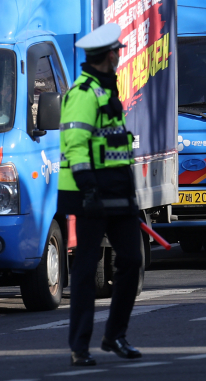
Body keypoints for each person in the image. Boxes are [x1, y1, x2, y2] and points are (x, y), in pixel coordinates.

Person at [58, 22, 144, 367]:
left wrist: (130, 194)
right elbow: (75, 145)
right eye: (118, 53)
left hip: (118, 193)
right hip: (89, 194)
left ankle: (114, 335)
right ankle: (80, 346)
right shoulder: (83, 93)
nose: (119, 57)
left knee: (132, 261)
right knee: (84, 269)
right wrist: (90, 188)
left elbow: (114, 150)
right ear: (109, 55)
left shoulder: (108, 91)